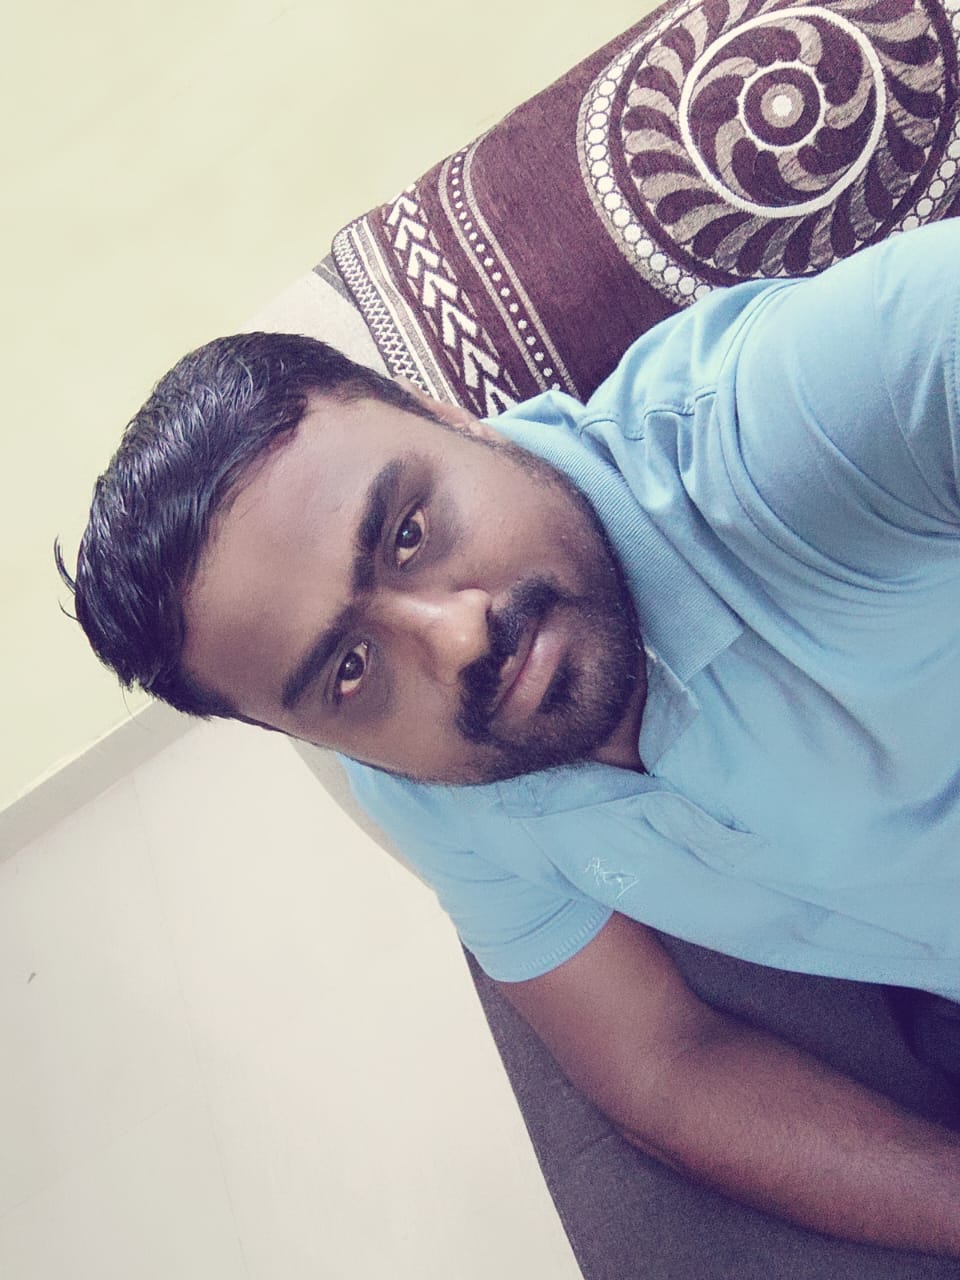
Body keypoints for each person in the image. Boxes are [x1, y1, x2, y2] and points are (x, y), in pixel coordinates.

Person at [58, 219, 960, 1255]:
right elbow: (662, 1065)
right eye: (348, 668)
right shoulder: (417, 779)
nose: (457, 639)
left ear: (453, 418)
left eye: (408, 531)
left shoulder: (788, 424)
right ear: (297, 731)